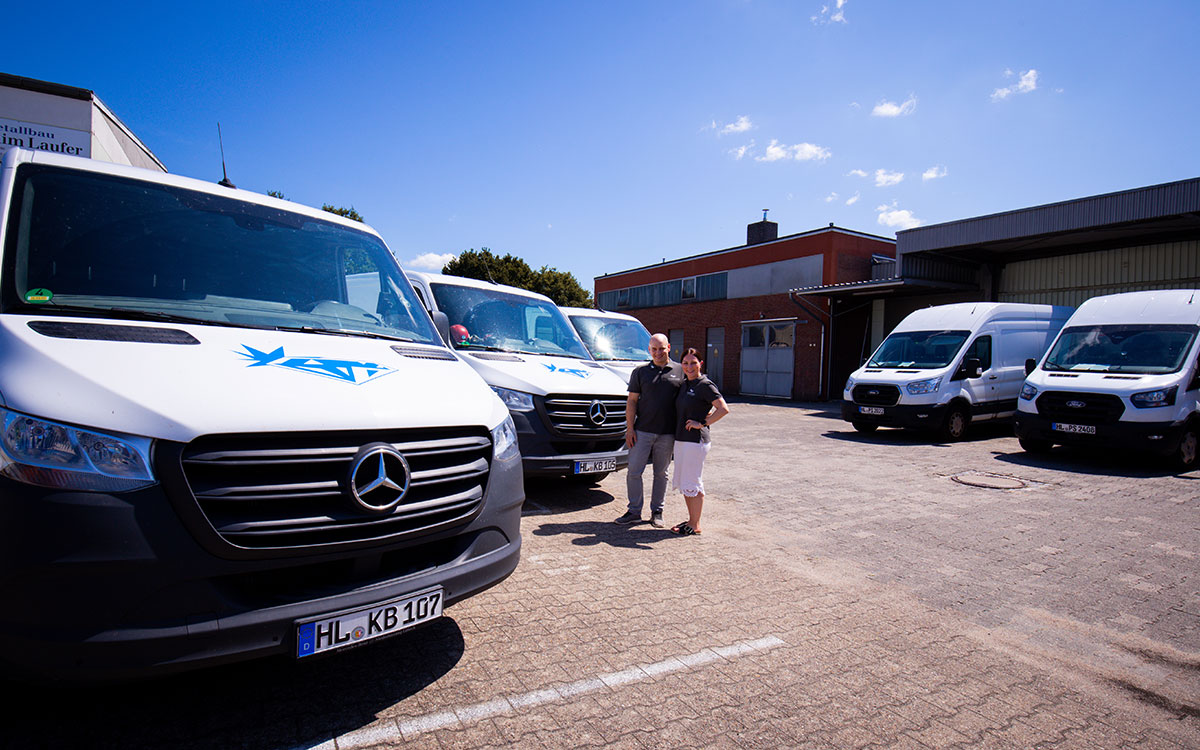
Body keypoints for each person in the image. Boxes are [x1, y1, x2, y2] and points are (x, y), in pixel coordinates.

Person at [614, 333, 683, 528]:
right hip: (642, 432)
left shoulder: (680, 370)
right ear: (649, 350)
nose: (658, 352)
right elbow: (632, 401)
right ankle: (634, 511)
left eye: (661, 348)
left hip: (667, 434)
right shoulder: (640, 372)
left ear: (668, 347)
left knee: (661, 474)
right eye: (654, 349)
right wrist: (629, 429)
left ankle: (657, 512)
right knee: (634, 472)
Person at [670, 348, 730, 536]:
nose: (689, 367)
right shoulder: (685, 384)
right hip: (682, 439)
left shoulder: (705, 384)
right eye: (685, 363)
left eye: (693, 363)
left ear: (701, 364)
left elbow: (723, 409)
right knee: (686, 481)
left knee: (692, 482)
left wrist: (702, 422)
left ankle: (695, 524)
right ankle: (691, 519)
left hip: (695, 442)